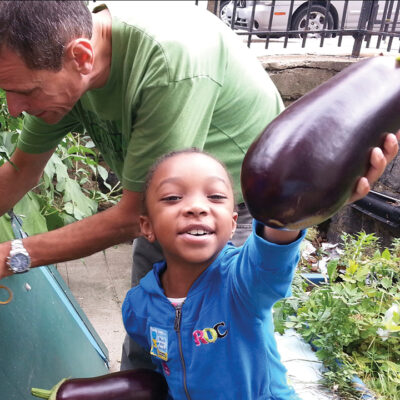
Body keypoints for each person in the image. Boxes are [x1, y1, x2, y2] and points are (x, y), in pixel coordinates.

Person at [0, 1, 397, 372]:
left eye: (25, 92)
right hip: (157, 205)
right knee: (151, 339)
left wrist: (11, 255)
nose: (15, 107)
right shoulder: (57, 63)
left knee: (221, 341)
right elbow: (21, 170)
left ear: (82, 58)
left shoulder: (168, 60)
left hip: (238, 207)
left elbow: (129, 218)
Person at [122, 148, 306, 399]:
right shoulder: (139, 307)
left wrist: (293, 201)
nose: (197, 207)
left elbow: (272, 253)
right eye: (173, 197)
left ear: (232, 224)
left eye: (216, 196)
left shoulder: (242, 283)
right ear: (147, 226)